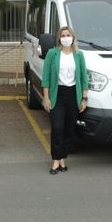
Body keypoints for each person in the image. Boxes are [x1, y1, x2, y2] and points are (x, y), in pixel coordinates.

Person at [42, 26, 89, 175]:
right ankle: (55, 160)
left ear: (73, 38)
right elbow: (46, 77)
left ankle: (63, 157)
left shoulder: (79, 55)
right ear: (59, 38)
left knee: (68, 129)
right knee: (57, 127)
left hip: (73, 95)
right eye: (63, 35)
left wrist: (84, 98)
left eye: (68, 35)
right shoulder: (52, 53)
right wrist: (46, 97)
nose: (66, 37)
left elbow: (83, 77)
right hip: (58, 94)